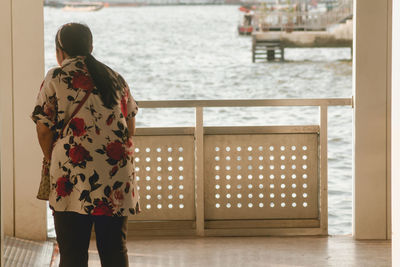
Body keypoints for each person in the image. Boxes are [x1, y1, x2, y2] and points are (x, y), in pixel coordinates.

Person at [31, 22, 141, 267]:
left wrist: (52, 158)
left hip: (71, 176)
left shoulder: (56, 77)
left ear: (60, 50)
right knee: (114, 251)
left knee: (72, 253)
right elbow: (130, 127)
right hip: (115, 176)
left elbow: (43, 128)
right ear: (91, 46)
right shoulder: (114, 77)